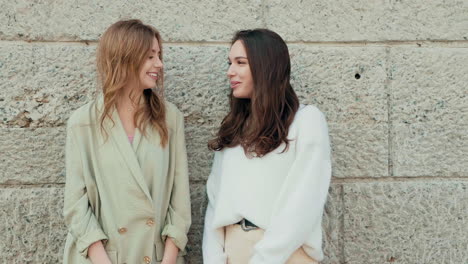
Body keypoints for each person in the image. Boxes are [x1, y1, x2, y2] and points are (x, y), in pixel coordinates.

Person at [63, 19, 191, 264]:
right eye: (150, 56)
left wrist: (169, 259)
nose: (159, 64)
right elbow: (75, 205)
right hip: (102, 257)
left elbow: (180, 199)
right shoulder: (83, 122)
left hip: (155, 256)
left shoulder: (169, 118)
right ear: (126, 57)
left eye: (159, 55)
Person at [202, 29, 332, 264]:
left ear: (266, 67)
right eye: (230, 62)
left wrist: (264, 259)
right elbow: (214, 203)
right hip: (234, 251)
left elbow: (304, 201)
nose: (230, 71)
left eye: (240, 63)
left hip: (286, 255)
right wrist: (213, 259)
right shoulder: (235, 129)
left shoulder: (306, 121)